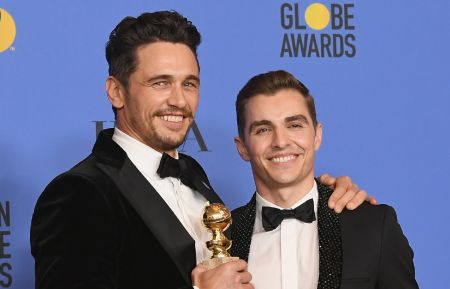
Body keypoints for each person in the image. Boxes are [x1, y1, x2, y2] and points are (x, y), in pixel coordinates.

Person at [30, 12, 371, 289]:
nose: (179, 101)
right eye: (160, 82)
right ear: (116, 92)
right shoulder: (81, 192)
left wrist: (324, 197)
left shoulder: (195, 176)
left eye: (189, 83)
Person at [230, 70, 419, 289]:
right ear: (242, 147)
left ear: (317, 135)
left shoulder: (374, 226)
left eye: (294, 125)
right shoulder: (223, 237)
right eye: (263, 129)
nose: (280, 141)